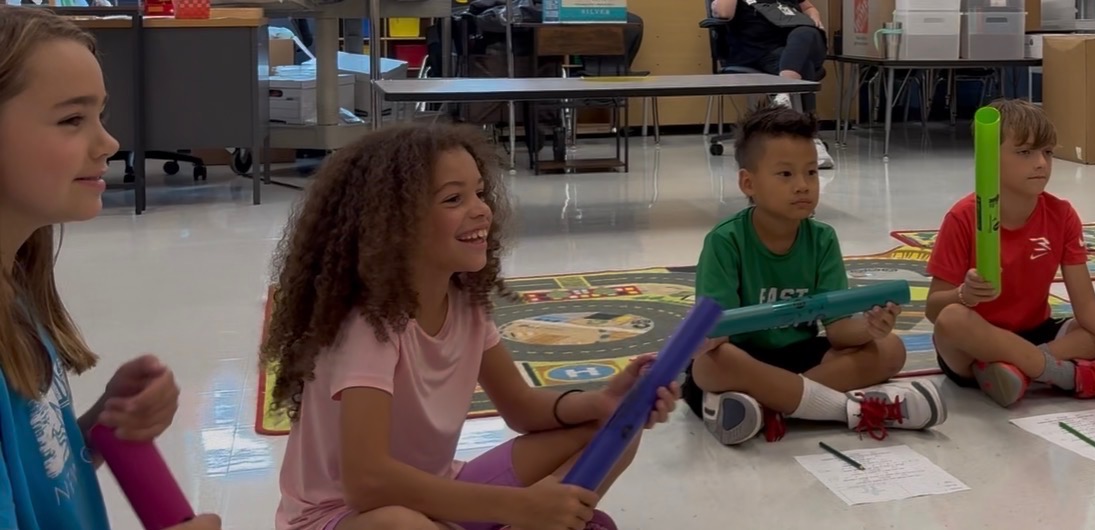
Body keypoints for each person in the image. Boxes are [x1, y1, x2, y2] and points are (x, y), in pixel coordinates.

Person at [263, 123, 680, 530]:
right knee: (397, 522)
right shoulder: (368, 326)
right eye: (453, 200)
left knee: (617, 429)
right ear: (392, 224)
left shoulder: (466, 303)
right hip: (344, 516)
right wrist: (520, 507)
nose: (481, 209)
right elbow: (367, 484)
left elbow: (521, 407)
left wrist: (602, 402)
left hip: (434, 495)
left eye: (479, 193)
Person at [0, 6, 220, 530]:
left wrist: (98, 422)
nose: (108, 143)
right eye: (72, 119)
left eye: (99, 115)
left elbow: (33, 477)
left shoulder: (16, 294)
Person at [682, 106, 946, 446]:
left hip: (800, 356)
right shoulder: (725, 241)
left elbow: (838, 332)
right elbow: (719, 334)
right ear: (749, 183)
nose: (803, 186)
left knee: (890, 348)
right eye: (785, 175)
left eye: (811, 172)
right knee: (710, 366)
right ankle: (840, 408)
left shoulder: (822, 239)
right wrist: (704, 338)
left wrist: (869, 327)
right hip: (744, 358)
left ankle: (767, 405)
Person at [925, 98, 1095, 408]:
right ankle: (1069, 376)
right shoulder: (962, 217)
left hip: (1038, 334)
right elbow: (935, 310)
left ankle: (1021, 368)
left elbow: (1086, 306)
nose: (1041, 163)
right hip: (976, 342)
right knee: (952, 320)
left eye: (1047, 152)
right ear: (988, 158)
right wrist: (964, 294)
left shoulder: (1062, 214)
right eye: (1025, 152)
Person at [709, 0, 834, 169]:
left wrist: (814, 18)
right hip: (757, 51)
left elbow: (808, 7)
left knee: (805, 33)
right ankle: (810, 139)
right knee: (803, 64)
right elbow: (724, 13)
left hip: (799, 42)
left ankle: (784, 95)